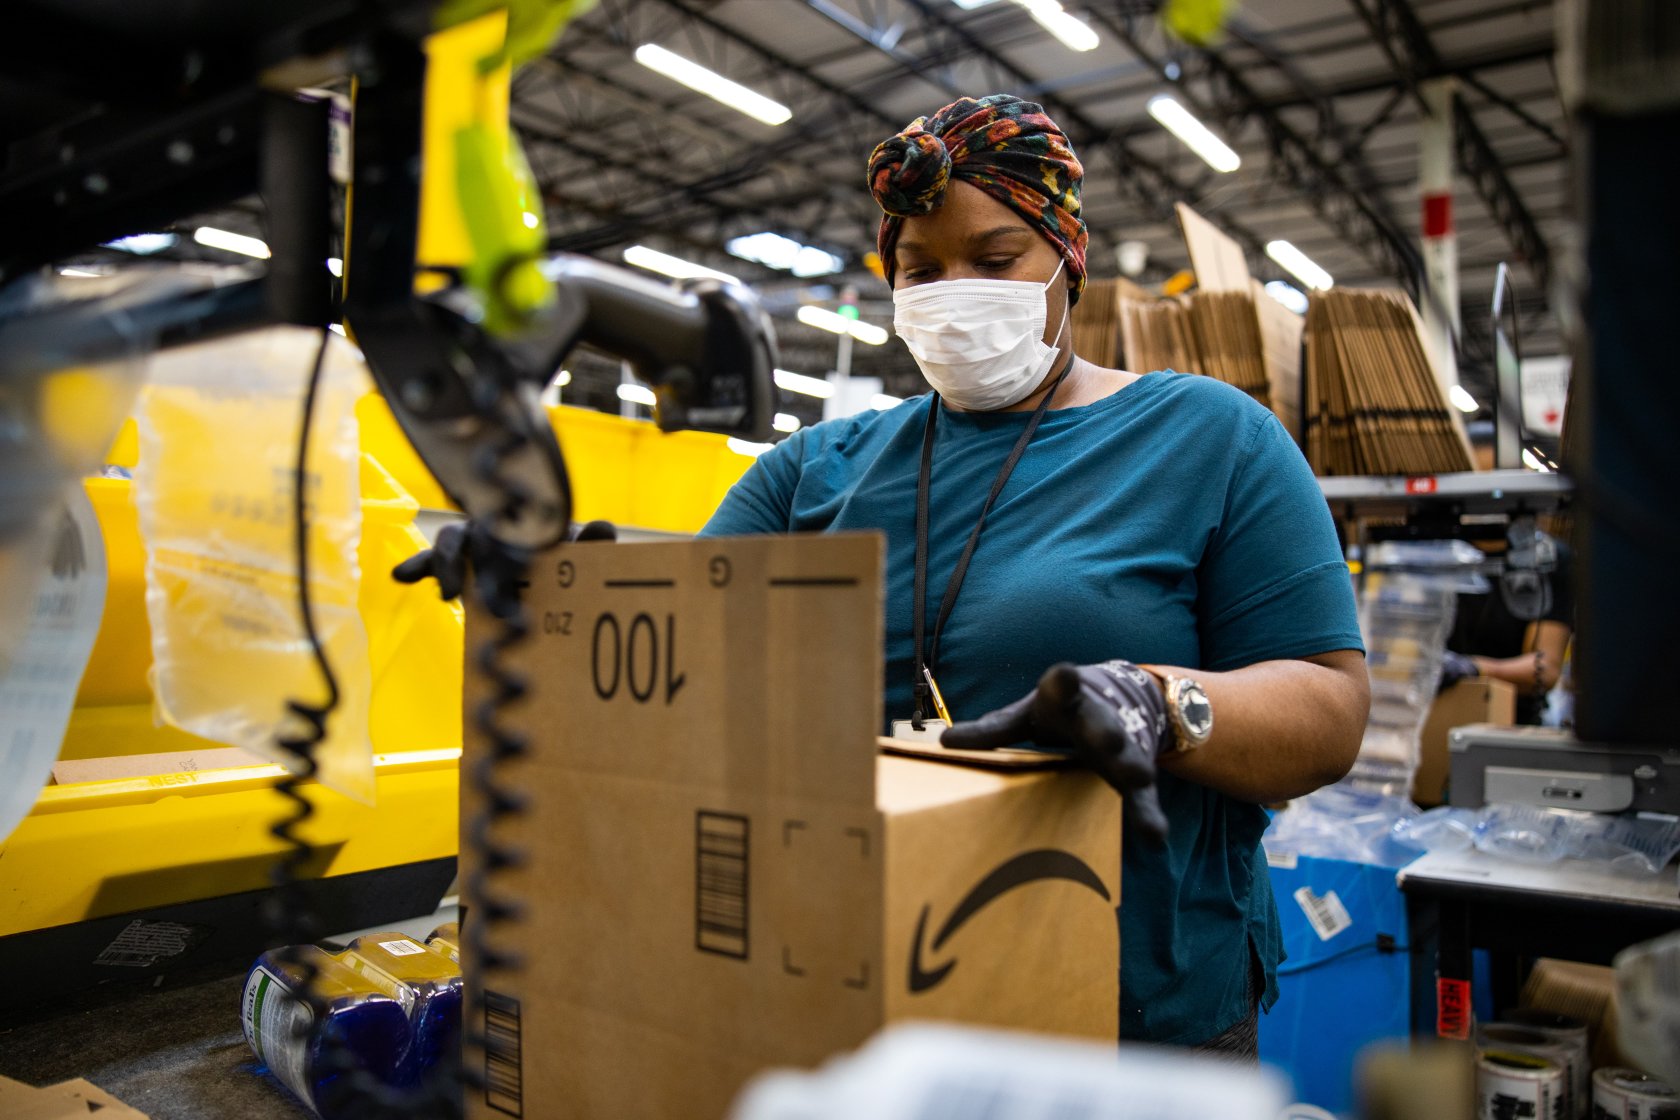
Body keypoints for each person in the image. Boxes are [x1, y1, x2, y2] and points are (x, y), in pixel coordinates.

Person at [699, 94, 1369, 1057]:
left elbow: (1330, 712)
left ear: (1066, 257)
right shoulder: (812, 472)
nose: (954, 290)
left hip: (1132, 1015)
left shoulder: (1210, 438)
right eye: (920, 270)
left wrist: (1157, 702)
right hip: (864, 994)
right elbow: (675, 650)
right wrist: (545, 583)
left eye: (996, 259)